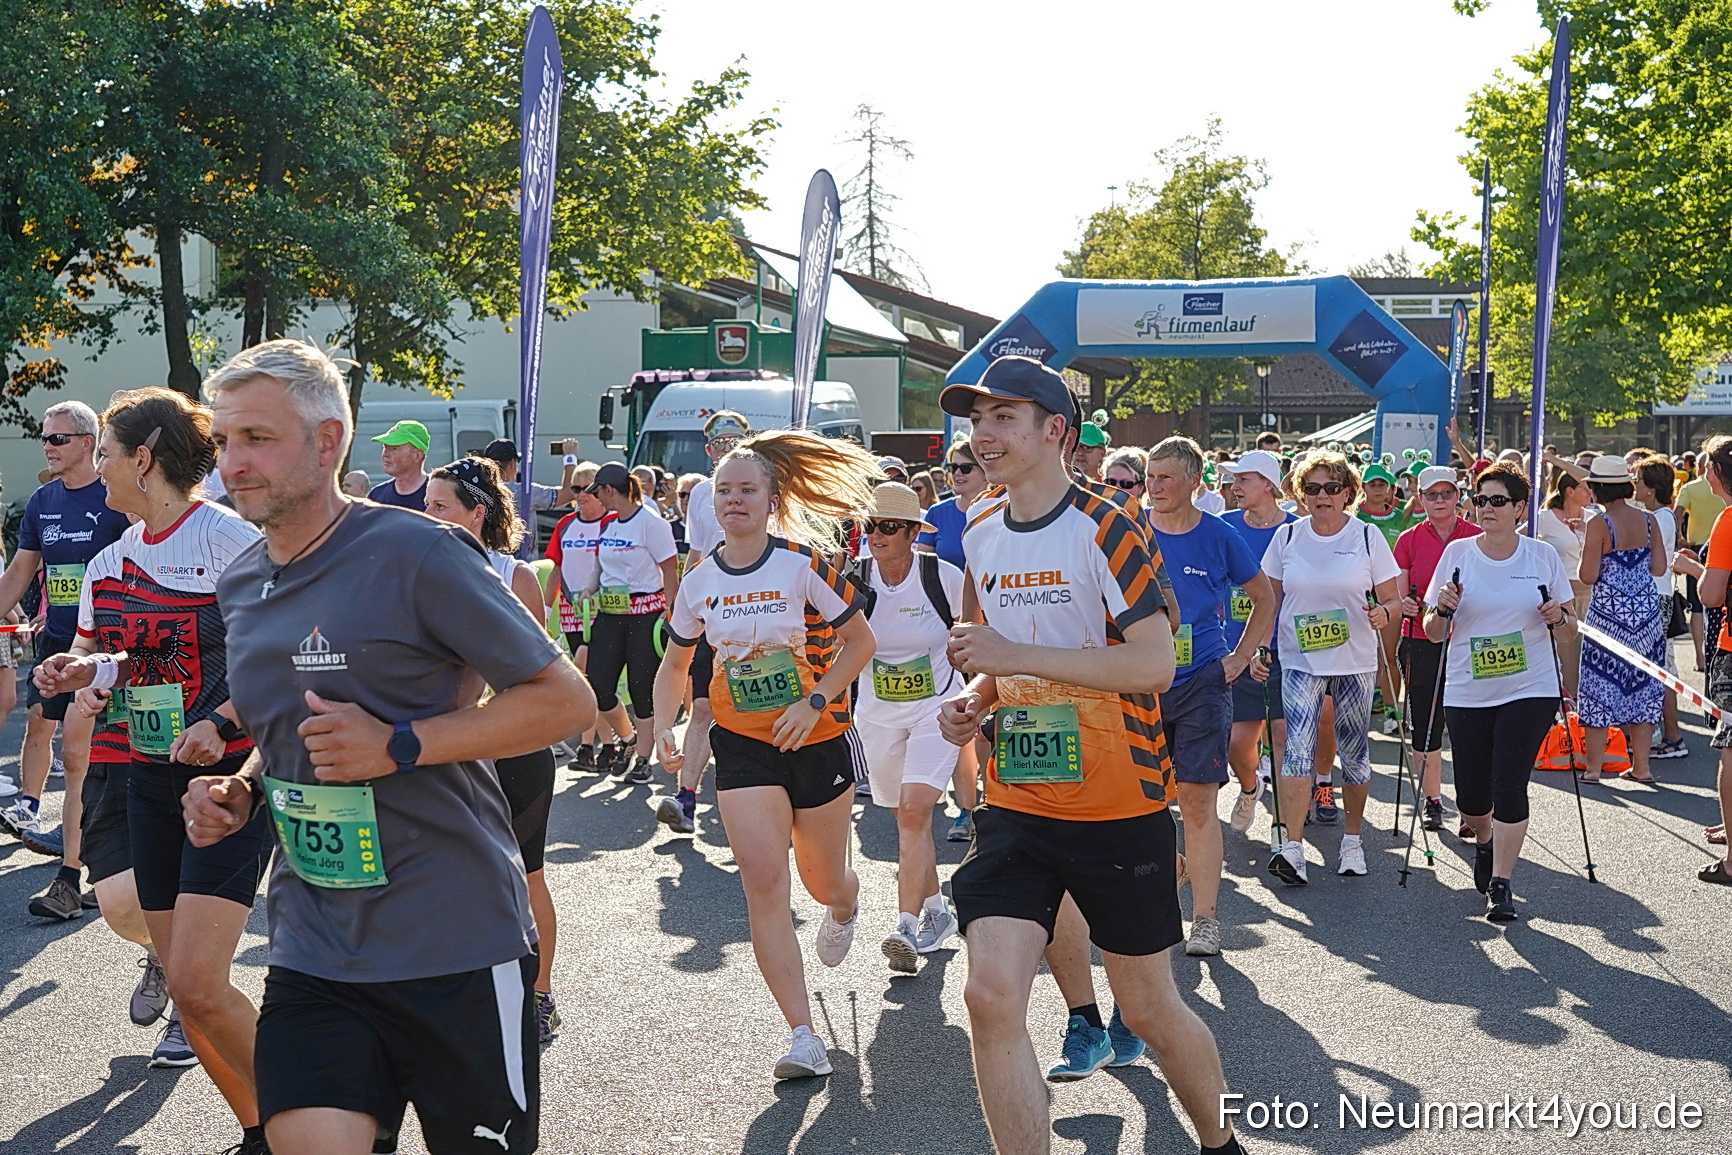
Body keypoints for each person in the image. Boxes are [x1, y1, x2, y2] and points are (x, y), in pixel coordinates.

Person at [181, 338, 592, 1155]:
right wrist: (244, 789)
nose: (233, 462)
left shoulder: (420, 552)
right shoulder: (241, 580)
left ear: (328, 440)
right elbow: (285, 726)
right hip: (316, 944)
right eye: (223, 442)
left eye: (256, 438)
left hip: (456, 940)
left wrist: (400, 744)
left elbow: (562, 700)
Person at [935, 356, 1243, 1155]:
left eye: (1006, 417)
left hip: (1119, 805)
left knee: (1146, 1009)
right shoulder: (979, 529)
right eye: (978, 419)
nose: (986, 435)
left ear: (1055, 431)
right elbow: (997, 658)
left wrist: (1009, 655)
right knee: (991, 994)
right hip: (1018, 804)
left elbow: (1151, 664)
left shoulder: (1108, 523)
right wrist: (978, 698)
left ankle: (1220, 1143)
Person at [35, 387, 270, 1154]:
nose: (96, 467)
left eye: (104, 451)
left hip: (229, 783)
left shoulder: (229, 538)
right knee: (192, 1000)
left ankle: (313, 1115)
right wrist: (86, 669)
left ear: (144, 458)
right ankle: (261, 1128)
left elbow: (275, 656)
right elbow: (129, 656)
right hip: (146, 771)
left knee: (201, 984)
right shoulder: (110, 558)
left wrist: (220, 722)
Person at [652, 428, 880, 1079]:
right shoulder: (698, 581)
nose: (734, 500)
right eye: (723, 490)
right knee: (763, 881)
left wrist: (816, 699)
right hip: (744, 746)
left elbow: (860, 642)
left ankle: (847, 897)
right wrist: (666, 726)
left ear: (772, 497)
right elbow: (674, 663)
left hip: (814, 740)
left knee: (820, 879)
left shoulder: (803, 562)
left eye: (747, 489)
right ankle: (803, 1033)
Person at [425, 455, 565, 1044]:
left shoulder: (514, 575)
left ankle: (540, 993)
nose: (426, 515)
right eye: (424, 505)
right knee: (443, 876)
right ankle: (457, 993)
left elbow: (533, 680)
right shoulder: (418, 570)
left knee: (526, 874)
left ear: (476, 514)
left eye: (439, 506)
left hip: (509, 748)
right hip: (442, 750)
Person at [1424, 464, 1573, 921]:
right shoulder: (1459, 553)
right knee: (1471, 797)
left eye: (1497, 501)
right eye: (1481, 499)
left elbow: (1566, 631)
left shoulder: (1541, 556)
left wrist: (1557, 618)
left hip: (1531, 686)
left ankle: (1502, 883)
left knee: (1510, 781)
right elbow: (1431, 633)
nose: (1486, 508)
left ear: (1519, 509)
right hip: (1469, 688)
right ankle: (1485, 843)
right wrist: (1443, 611)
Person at [1143, 436, 1274, 957]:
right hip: (1140, 680)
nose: (1154, 487)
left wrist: (1240, 659)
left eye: (1165, 478)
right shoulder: (1130, 531)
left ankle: (1205, 920)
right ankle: (1156, 891)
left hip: (1201, 679)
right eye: (1150, 477)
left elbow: (1264, 597)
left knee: (1197, 802)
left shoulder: (1219, 536)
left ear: (1195, 481)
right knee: (1144, 804)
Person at [0, 401, 130, 917]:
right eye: (44, 438)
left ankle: (77, 874)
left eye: (58, 438)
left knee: (86, 756)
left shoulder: (117, 496)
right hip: (59, 642)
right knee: (59, 740)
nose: (48, 447)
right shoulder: (41, 501)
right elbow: (16, 578)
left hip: (109, 649)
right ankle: (78, 862)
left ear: (86, 442)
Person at [1258, 448, 1401, 883]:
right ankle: (1294, 848)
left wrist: (1385, 613)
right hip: (1301, 660)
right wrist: (1261, 649)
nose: (1322, 496)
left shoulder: (1366, 537)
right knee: (1297, 754)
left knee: (1355, 752)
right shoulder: (1286, 537)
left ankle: (1353, 840)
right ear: (1301, 494)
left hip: (1354, 659)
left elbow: (1393, 599)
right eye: (1313, 488)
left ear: (1347, 493)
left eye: (1332, 488)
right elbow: (1269, 600)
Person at [849, 483, 965, 972]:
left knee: (917, 812)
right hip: (876, 714)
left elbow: (979, 637)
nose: (876, 535)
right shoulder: (852, 579)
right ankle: (938, 912)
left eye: (888, 527)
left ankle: (904, 927)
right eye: (869, 525)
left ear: (914, 533)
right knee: (905, 819)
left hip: (936, 709)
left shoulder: (945, 578)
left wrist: (979, 700)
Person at [655, 412, 751, 836]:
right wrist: (681, 604)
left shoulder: (766, 486)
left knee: (759, 701)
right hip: (711, 609)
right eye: (720, 443)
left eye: (736, 440)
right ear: (709, 451)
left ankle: (774, 797)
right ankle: (686, 798)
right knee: (702, 706)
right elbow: (696, 554)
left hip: (760, 611)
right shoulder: (700, 495)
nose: (727, 449)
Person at [1392, 465, 1481, 833]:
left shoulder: (1477, 535)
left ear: (1458, 495)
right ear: (1420, 497)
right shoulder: (1409, 539)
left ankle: (1472, 806)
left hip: (1470, 640)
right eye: (1432, 495)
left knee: (1470, 726)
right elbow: (1397, 589)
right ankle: (1431, 799)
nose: (1440, 501)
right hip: (1420, 639)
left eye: (1447, 493)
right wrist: (1405, 604)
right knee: (1426, 724)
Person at [584, 462, 679, 784]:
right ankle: (628, 739)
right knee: (597, 685)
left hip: (645, 616)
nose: (596, 498)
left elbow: (669, 570)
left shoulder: (651, 524)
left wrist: (671, 613)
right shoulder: (609, 523)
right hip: (610, 615)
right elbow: (599, 566)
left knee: (642, 691)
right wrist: (588, 588)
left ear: (610, 490)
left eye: (597, 492)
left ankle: (643, 758)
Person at [1220, 450, 1298, 840]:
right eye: (1233, 479)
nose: (1234, 486)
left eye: (1243, 479)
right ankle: (1250, 789)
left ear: (1268, 484)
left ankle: (1283, 827)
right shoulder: (1223, 526)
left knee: (1283, 737)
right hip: (1238, 649)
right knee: (1238, 743)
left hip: (1289, 651)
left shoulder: (1298, 529)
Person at [914, 437, 989, 841]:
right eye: (952, 469)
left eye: (966, 467)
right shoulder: (939, 514)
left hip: (998, 631)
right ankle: (968, 808)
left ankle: (993, 801)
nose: (957, 475)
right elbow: (918, 572)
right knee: (965, 720)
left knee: (991, 721)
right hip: (946, 633)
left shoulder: (1001, 510)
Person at [1576, 455, 1665, 784]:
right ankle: (1641, 767)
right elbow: (1658, 569)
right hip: (1645, 617)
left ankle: (1594, 768)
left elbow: (1588, 575)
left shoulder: (1598, 524)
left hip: (1608, 620)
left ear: (1598, 488)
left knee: (1599, 686)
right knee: (1644, 687)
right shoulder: (1649, 521)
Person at [545, 471, 617, 771]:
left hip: (606, 613)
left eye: (588, 488)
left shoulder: (613, 523)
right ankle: (610, 743)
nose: (581, 494)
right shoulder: (565, 525)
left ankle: (593, 746)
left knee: (590, 679)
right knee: (589, 682)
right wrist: (546, 611)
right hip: (572, 613)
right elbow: (556, 571)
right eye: (576, 487)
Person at [1633, 455, 1688, 760]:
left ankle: (1672, 736)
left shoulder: (1661, 518)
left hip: (1656, 596)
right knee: (1663, 667)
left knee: (1660, 669)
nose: (1634, 486)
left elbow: (1644, 555)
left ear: (1652, 487)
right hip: (1657, 595)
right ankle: (1669, 735)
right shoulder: (1658, 515)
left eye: (1639, 480)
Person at [1676, 453, 1727, 672]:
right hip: (1706, 552)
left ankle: (1700, 657)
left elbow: (1711, 596)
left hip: (1704, 549)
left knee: (1698, 608)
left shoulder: (1690, 489)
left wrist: (1694, 567)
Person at [478, 436, 582, 513]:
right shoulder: (525, 492)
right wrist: (570, 457)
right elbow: (569, 493)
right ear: (512, 464)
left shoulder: (479, 491)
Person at [367, 420, 431, 510]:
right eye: (385, 447)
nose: (385, 454)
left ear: (417, 455)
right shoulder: (376, 495)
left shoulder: (437, 497)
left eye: (394, 448)